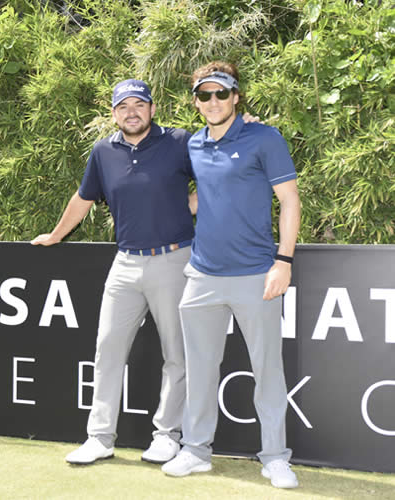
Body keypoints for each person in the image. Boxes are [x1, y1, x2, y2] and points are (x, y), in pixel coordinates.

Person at [33, 79, 195, 465]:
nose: (131, 112)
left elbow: (216, 178)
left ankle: (167, 436)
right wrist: (56, 235)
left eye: (139, 105)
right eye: (123, 107)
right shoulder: (103, 151)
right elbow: (83, 198)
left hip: (174, 260)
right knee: (107, 349)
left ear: (152, 109)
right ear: (114, 114)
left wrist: (186, 206)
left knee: (177, 354)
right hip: (124, 264)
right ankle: (100, 438)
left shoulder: (179, 142)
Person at [161, 61, 301, 489]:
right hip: (202, 276)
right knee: (199, 371)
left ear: (236, 97)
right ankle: (196, 450)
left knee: (267, 371)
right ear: (196, 102)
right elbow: (201, 196)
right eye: (204, 95)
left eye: (222, 93)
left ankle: (275, 458)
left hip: (257, 275)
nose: (213, 101)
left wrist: (283, 261)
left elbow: (290, 201)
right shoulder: (194, 144)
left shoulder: (264, 137)